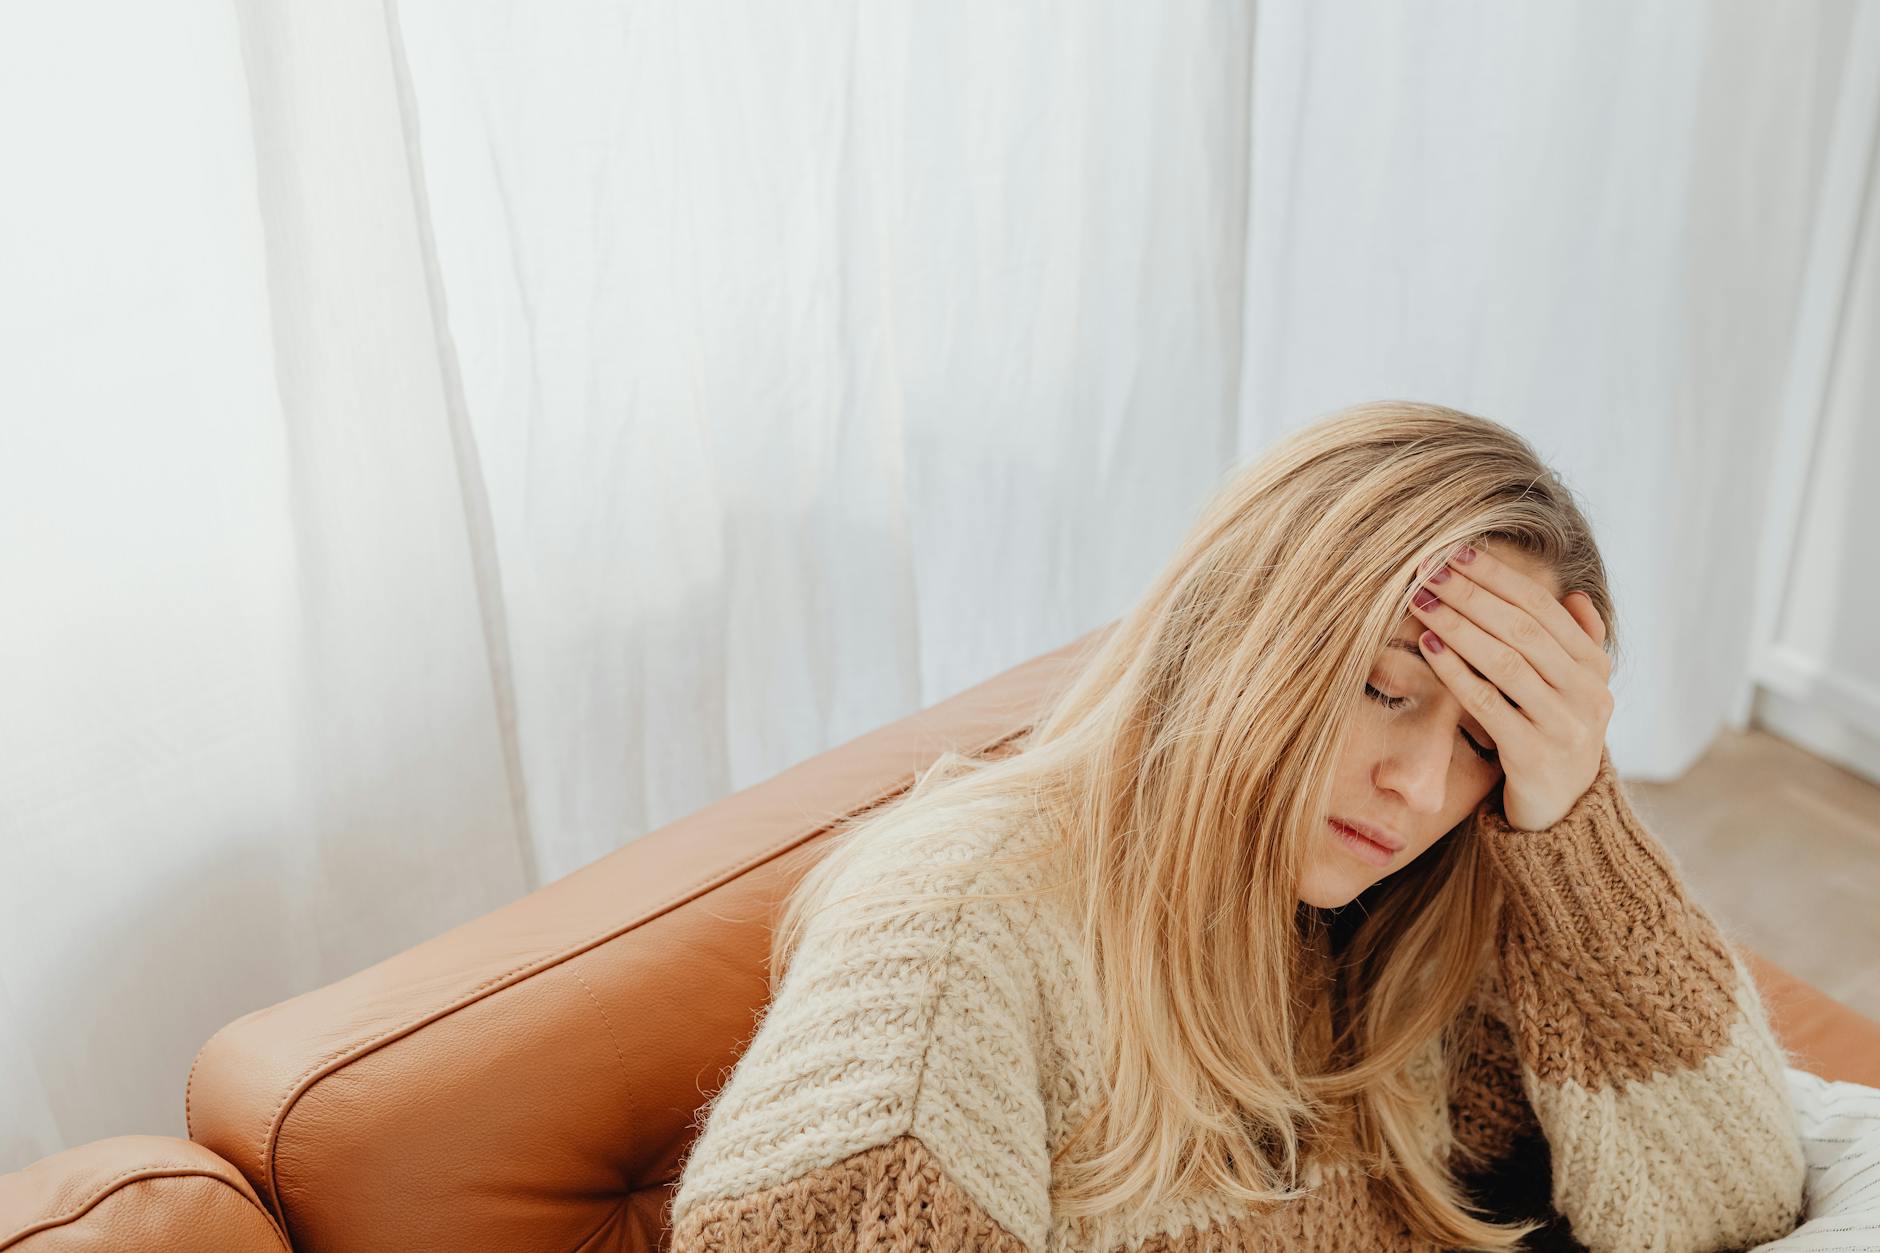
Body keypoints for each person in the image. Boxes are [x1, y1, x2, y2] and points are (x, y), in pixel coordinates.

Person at [665, 401, 1808, 1251]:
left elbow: (1730, 1205)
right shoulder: (964, 923)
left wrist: (1575, 821)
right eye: (1381, 687)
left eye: (1483, 738)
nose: (1416, 782)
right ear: (1241, 636)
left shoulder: (1444, 907)